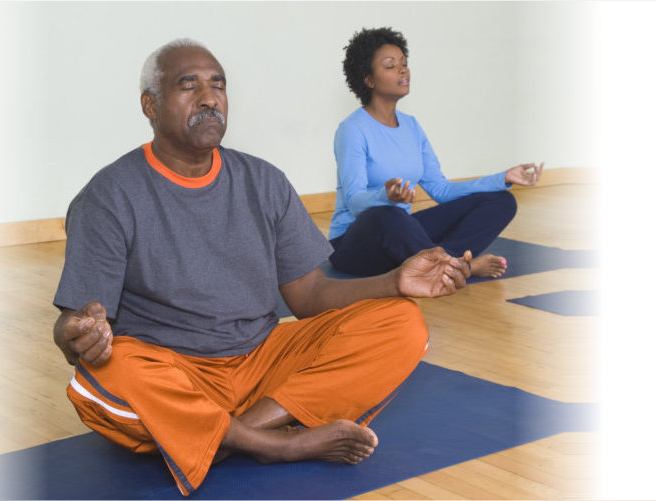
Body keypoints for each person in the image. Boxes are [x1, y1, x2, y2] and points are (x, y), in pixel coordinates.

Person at [51, 38, 473, 497]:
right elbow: (76, 328)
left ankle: (227, 437)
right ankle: (278, 445)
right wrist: (78, 335)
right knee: (104, 374)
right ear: (150, 105)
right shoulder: (109, 195)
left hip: (262, 364)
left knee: (402, 323)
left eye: (218, 85)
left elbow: (309, 297)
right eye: (188, 85)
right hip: (175, 373)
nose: (209, 98)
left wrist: (394, 282)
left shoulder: (264, 180)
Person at [328, 27, 544, 279]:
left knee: (501, 200)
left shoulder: (412, 126)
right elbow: (354, 202)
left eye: (404, 63)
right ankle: (460, 267)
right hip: (353, 244)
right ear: (369, 80)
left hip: (400, 235)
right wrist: (385, 195)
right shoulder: (352, 129)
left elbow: (442, 191)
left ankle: (434, 264)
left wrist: (502, 179)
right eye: (390, 66)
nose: (403, 70)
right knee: (385, 214)